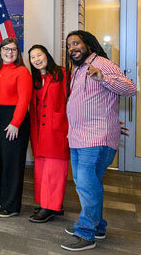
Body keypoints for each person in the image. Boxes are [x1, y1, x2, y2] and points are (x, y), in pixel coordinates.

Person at [60, 31, 136, 252]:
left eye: (76, 43)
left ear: (88, 45)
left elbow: (130, 88)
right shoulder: (79, 69)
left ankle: (86, 232)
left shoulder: (102, 63)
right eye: (69, 45)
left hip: (95, 137)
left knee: (85, 184)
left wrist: (103, 77)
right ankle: (98, 226)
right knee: (89, 184)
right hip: (78, 136)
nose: (72, 47)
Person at [0, 38, 32, 218]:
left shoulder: (22, 71)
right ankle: (2, 197)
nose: (9, 52)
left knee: (11, 164)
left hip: (13, 120)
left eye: (13, 49)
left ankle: (11, 206)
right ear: (0, 51)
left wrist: (15, 123)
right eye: (6, 49)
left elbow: (24, 100)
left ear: (18, 52)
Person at [26, 45, 69, 223]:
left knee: (55, 170)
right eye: (32, 57)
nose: (36, 59)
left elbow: (71, 100)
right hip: (39, 131)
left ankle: (49, 207)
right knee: (42, 168)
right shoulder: (35, 79)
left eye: (39, 55)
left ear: (47, 55)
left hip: (57, 129)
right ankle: (49, 203)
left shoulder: (62, 73)